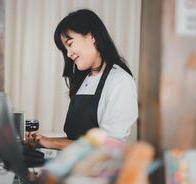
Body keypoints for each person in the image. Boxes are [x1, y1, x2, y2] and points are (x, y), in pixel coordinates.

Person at [26, 9, 138, 150]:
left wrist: (51, 143)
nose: (68, 54)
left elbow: (107, 146)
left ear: (92, 37)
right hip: (73, 165)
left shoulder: (121, 82)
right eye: (65, 49)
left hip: (97, 170)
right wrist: (43, 140)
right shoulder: (84, 80)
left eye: (70, 44)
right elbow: (77, 140)